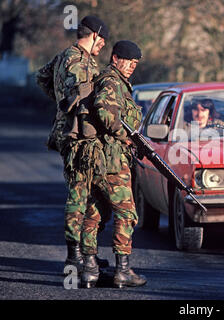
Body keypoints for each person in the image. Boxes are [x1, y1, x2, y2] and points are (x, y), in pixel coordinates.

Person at [35, 15, 111, 272]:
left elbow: (41, 77)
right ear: (94, 35)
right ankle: (75, 256)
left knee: (88, 194)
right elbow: (81, 99)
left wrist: (58, 102)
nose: (103, 46)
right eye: (102, 40)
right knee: (80, 195)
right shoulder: (81, 62)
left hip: (68, 133)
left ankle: (85, 253)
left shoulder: (62, 56)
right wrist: (67, 106)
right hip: (78, 136)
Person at [80, 40, 146, 289]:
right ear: (115, 58)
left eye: (135, 63)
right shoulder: (111, 81)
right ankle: (122, 270)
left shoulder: (113, 81)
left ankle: (89, 269)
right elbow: (105, 112)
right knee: (126, 213)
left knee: (96, 212)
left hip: (100, 161)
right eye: (128, 61)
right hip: (111, 161)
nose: (132, 66)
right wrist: (126, 135)